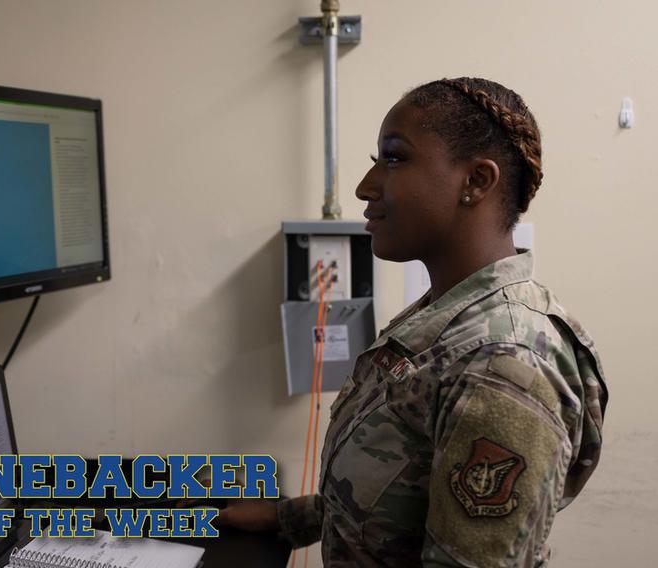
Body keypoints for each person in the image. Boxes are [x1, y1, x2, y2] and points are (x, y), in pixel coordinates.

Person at [218, 78, 608, 567]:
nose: (366, 186)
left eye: (395, 158)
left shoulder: (501, 365)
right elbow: (406, 483)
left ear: (476, 181)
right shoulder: (446, 315)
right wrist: (291, 518)